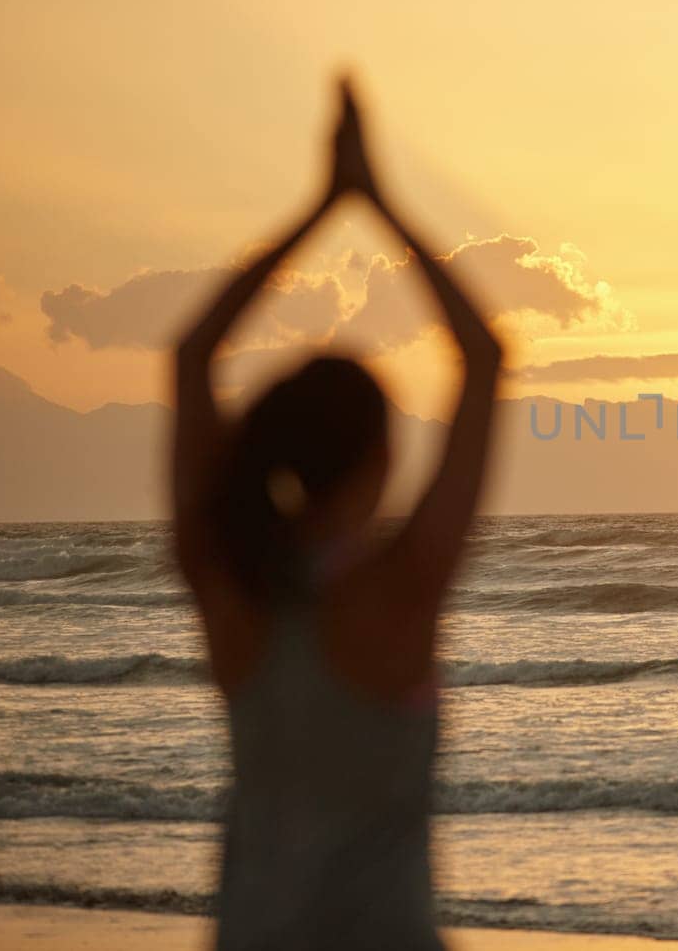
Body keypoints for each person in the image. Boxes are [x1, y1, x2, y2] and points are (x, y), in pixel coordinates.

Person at [171, 79, 503, 950]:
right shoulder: (401, 587)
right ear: (383, 459)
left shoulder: (228, 576)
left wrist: (320, 207)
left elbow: (193, 354)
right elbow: (484, 352)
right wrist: (374, 199)